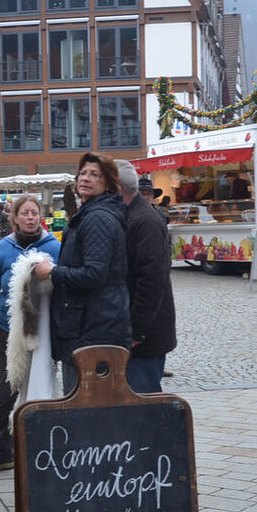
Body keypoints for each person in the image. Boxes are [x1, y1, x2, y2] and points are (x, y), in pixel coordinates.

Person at [32, 152, 130, 395]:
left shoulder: (97, 218)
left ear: (107, 183)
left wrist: (53, 272)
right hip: (88, 324)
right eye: (83, 173)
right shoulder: (90, 214)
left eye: (94, 175)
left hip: (93, 329)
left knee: (83, 403)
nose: (85, 178)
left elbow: (93, 274)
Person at [0, 194, 60, 471]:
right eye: (24, 213)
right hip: (7, 331)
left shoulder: (53, 247)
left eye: (34, 213)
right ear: (15, 218)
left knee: (40, 388)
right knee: (6, 391)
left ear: (40, 217)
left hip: (42, 333)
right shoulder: (3, 248)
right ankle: (2, 452)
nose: (30, 218)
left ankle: (41, 448)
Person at [117, 161, 177, 393]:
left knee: (143, 403)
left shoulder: (146, 220)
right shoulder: (132, 215)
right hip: (139, 334)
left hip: (144, 338)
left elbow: (151, 280)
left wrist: (137, 330)